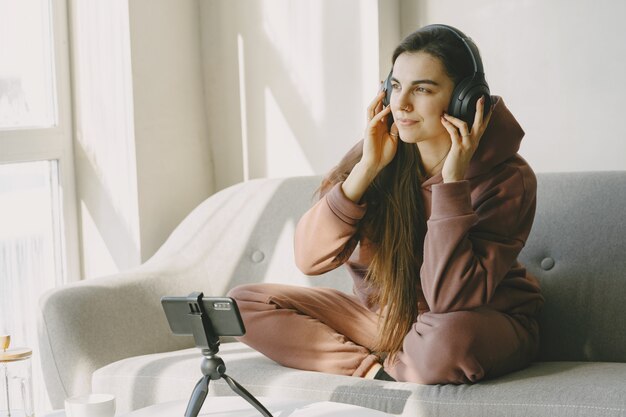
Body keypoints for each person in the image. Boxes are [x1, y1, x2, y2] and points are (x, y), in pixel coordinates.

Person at [228, 24, 544, 384]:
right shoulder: (378, 151)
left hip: (474, 321)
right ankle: (377, 373)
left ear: (464, 99)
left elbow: (449, 300)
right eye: (395, 86)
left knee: (448, 341)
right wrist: (366, 169)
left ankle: (409, 360)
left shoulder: (508, 179)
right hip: (385, 322)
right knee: (242, 303)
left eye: (422, 88)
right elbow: (309, 259)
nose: (402, 103)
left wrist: (452, 184)